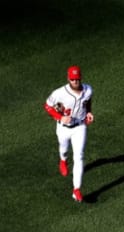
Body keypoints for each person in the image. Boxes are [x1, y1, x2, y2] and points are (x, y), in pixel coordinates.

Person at [43, 65, 94, 202]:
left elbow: (87, 102)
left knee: (79, 157)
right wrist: (60, 118)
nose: (75, 82)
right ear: (68, 79)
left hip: (80, 127)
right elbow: (47, 106)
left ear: (80, 78)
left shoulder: (88, 90)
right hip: (63, 128)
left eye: (77, 79)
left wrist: (89, 112)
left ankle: (76, 190)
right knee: (64, 149)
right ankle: (63, 160)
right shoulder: (59, 92)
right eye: (72, 79)